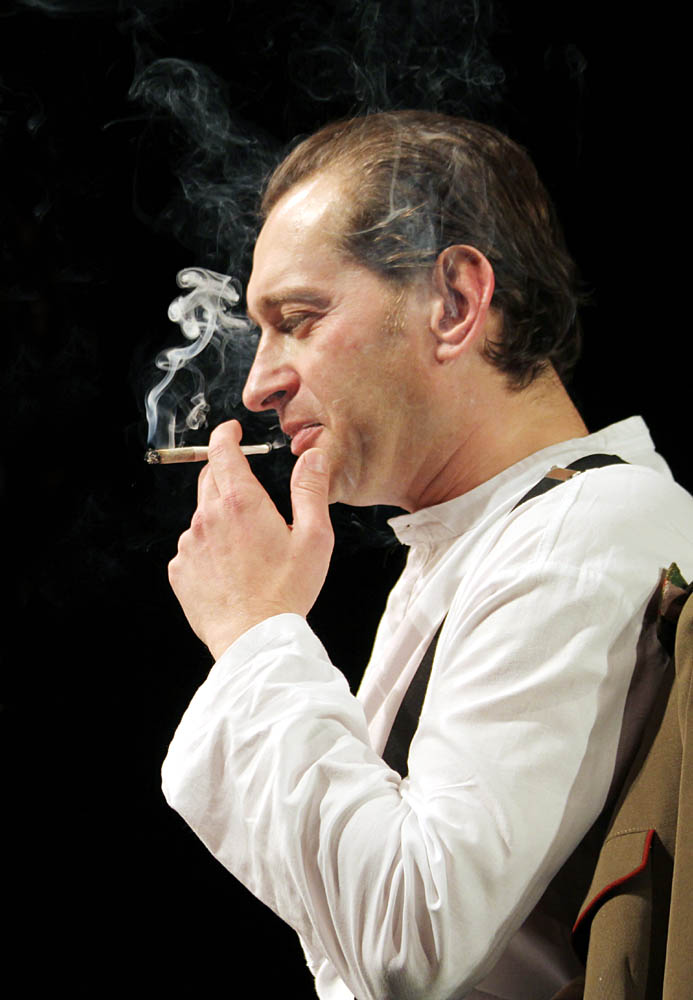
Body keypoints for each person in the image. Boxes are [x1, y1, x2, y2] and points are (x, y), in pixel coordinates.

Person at [161, 111, 693, 999]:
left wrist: (254, 633)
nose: (257, 385)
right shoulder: (488, 537)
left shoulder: (580, 532)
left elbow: (410, 938)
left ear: (453, 304)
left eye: (299, 319)